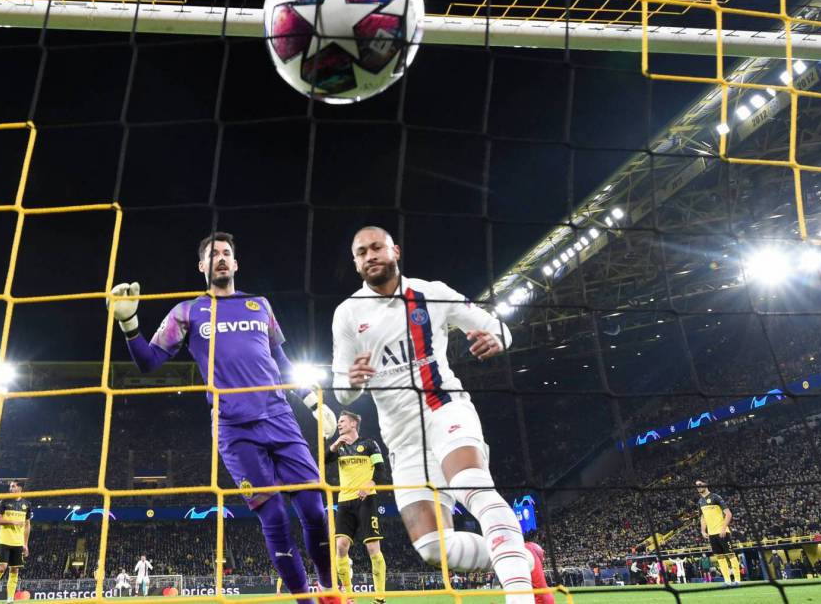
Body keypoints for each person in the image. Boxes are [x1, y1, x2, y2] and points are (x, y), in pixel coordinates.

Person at [109, 232, 337, 604]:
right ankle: (304, 600)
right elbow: (148, 363)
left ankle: (330, 589)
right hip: (234, 430)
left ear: (235, 263)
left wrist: (312, 400)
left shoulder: (259, 305)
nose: (220, 258)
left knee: (314, 507)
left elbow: (282, 362)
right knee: (275, 516)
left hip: (279, 416)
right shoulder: (187, 311)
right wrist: (129, 323)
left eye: (227, 253)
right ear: (202, 266)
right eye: (213, 254)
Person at [331, 226, 545, 604]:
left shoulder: (433, 294)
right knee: (433, 548)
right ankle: (522, 558)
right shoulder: (348, 314)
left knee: (476, 488)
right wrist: (353, 381)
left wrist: (498, 337)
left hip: (444, 409)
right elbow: (341, 391)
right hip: (401, 439)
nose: (370, 256)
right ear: (355, 262)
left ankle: (520, 596)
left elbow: (497, 327)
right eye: (361, 252)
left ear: (394, 250)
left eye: (376, 247)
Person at [327, 411, 387, 604]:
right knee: (340, 546)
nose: (338, 424)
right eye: (338, 422)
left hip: (366, 500)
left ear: (353, 423)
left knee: (372, 548)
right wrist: (335, 446)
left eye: (342, 421)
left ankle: (380, 598)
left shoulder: (370, 444)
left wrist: (369, 485)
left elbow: (381, 471)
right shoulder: (340, 448)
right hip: (344, 502)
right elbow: (323, 461)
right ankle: (349, 595)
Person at [0, 480, 32, 603]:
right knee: (2, 568)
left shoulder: (27, 504)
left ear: (20, 488)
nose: (11, 488)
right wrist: (13, 521)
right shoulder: (4, 502)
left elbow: (27, 525)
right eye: (10, 486)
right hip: (5, 541)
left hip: (18, 542)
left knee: (15, 570)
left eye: (13, 486)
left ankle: (10, 599)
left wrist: (25, 544)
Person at [696, 480, 741, 586]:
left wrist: (723, 528)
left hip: (722, 532)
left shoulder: (716, 497)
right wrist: (703, 531)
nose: (698, 487)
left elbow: (728, 514)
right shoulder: (700, 502)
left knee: (730, 555)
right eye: (696, 486)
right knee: (720, 558)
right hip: (712, 534)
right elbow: (702, 518)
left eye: (700, 485)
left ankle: (737, 580)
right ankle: (727, 581)